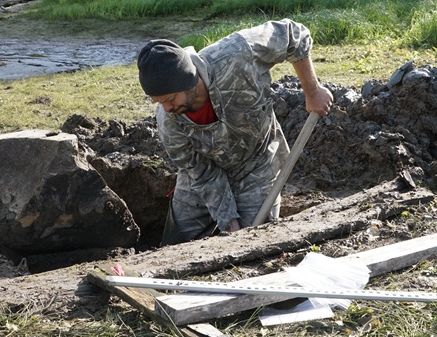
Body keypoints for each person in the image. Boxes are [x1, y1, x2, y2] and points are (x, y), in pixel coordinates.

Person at [136, 19, 333, 245]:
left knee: (258, 242)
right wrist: (228, 221)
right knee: (176, 244)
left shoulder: (236, 55)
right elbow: (200, 171)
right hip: (205, 173)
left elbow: (293, 34)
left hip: (257, 163)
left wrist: (313, 90)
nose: (166, 108)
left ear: (189, 80)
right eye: (158, 102)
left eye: (169, 99)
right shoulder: (169, 121)